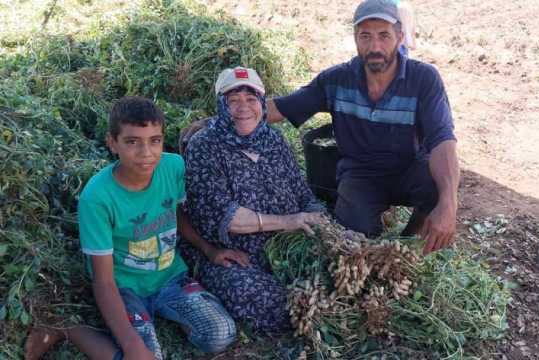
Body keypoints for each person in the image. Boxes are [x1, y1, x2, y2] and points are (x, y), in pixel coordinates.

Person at [25, 96, 236, 360]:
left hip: (170, 278)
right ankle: (67, 328)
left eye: (154, 140)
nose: (146, 153)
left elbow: (177, 214)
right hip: (124, 287)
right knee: (139, 355)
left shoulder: (173, 168)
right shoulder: (98, 197)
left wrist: (209, 249)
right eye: (132, 141)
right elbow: (103, 281)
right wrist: (131, 344)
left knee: (221, 334)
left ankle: (165, 314)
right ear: (112, 143)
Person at [267, 0, 460, 254]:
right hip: (360, 175)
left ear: (400, 37)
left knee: (440, 187)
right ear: (355, 39)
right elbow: (282, 107)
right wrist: (229, 113)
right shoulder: (336, 80)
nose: (375, 47)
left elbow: (442, 140)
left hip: (409, 168)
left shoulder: (423, 79)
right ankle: (375, 240)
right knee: (353, 245)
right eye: (365, 36)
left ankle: (407, 243)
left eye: (384, 35)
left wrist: (449, 204)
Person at [180, 67, 325, 333]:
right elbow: (227, 217)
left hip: (285, 243)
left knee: (330, 275)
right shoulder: (204, 146)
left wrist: (318, 218)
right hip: (232, 251)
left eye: (251, 99)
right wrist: (289, 221)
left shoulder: (274, 139)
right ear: (221, 105)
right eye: (233, 100)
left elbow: (301, 191)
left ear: (262, 102)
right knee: (268, 300)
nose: (243, 108)